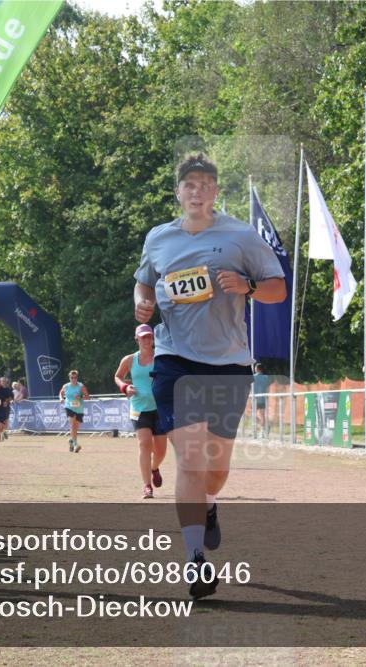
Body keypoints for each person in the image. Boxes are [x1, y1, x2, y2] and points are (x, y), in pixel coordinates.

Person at [133, 153, 286, 598]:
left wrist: (249, 287)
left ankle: (211, 504)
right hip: (174, 359)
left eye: (205, 184)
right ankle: (195, 559)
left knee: (215, 470)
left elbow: (277, 288)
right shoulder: (159, 238)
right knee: (191, 461)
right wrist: (141, 304)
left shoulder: (240, 236)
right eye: (189, 185)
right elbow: (144, 283)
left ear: (215, 192)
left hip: (230, 364)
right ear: (178, 192)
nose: (196, 191)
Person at [114, 324, 168, 499]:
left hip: (160, 408)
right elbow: (118, 376)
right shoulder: (129, 360)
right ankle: (147, 485)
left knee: (160, 451)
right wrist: (124, 387)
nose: (146, 340)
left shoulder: (161, 358)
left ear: (153, 338)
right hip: (139, 408)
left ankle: (154, 467)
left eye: (149, 336)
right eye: (143, 337)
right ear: (136, 338)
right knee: (144, 444)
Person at [60, 370, 89, 453]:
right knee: (72, 424)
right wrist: (61, 398)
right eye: (72, 378)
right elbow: (61, 392)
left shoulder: (81, 386)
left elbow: (87, 397)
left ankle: (71, 441)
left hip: (79, 408)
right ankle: (76, 444)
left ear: (77, 378)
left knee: (76, 426)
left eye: (75, 377)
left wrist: (80, 396)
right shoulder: (66, 386)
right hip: (69, 406)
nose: (73, 379)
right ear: (69, 378)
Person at [252, 363, 273, 438]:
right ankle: (264, 428)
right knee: (262, 415)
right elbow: (268, 388)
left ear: (257, 369)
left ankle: (262, 428)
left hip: (255, 399)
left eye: (255, 368)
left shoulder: (253, 377)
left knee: (253, 415)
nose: (254, 369)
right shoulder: (266, 377)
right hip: (263, 399)